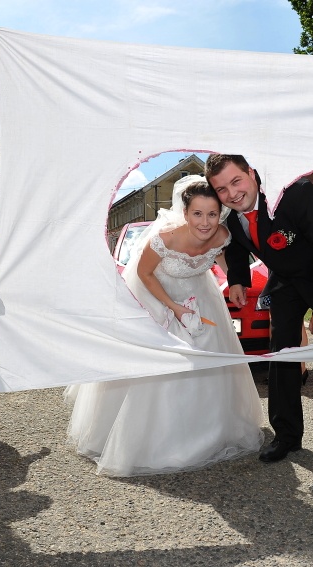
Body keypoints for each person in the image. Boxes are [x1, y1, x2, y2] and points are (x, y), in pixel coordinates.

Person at [65, 176, 263, 476]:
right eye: (198, 214)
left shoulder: (222, 235)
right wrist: (173, 307)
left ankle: (206, 430)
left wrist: (235, 282)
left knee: (207, 364)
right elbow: (144, 274)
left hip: (201, 298)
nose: (205, 222)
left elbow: (223, 259)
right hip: (157, 298)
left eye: (212, 214)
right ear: (185, 213)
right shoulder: (165, 239)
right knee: (162, 369)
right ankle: (153, 438)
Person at [205, 154, 313, 469]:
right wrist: (238, 280)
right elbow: (235, 246)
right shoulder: (231, 217)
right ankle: (286, 435)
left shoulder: (296, 193)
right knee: (281, 354)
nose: (231, 194)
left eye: (236, 181)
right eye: (221, 189)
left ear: (252, 173)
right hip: (286, 282)